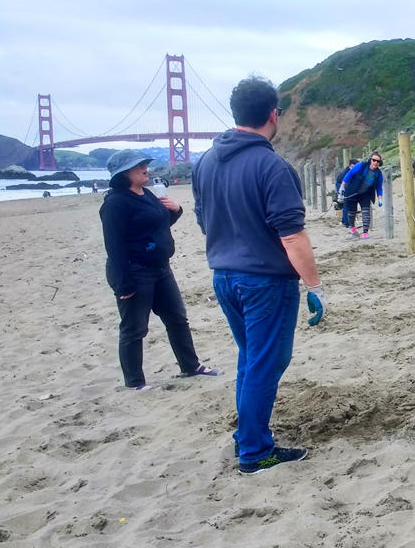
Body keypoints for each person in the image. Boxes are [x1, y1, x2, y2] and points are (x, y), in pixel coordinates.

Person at [192, 76, 325, 475]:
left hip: (224, 276)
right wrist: (315, 286)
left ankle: (246, 438)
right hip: (265, 281)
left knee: (252, 359)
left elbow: (204, 221)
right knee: (267, 362)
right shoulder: (272, 166)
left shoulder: (205, 162)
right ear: (273, 115)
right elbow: (293, 236)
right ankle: (254, 450)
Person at [99, 150, 220, 391]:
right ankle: (135, 383)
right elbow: (114, 246)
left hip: (160, 269)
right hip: (134, 272)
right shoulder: (115, 203)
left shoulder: (147, 195)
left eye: (144, 163)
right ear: (123, 174)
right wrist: (124, 284)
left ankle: (191, 366)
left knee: (177, 318)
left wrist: (175, 211)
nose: (145, 167)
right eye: (138, 165)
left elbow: (157, 225)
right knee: (135, 328)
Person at [338, 152, 384, 240]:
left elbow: (379, 187)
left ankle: (365, 232)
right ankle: (352, 228)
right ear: (370, 160)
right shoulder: (361, 165)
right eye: (374, 160)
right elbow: (350, 174)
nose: (375, 162)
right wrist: (342, 186)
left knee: (366, 212)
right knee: (352, 212)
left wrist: (380, 198)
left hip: (366, 193)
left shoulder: (378, 174)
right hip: (352, 191)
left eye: (378, 161)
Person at [334, 159, 360, 224]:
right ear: (350, 166)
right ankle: (347, 222)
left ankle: (344, 220)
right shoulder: (347, 172)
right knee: (346, 202)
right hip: (340, 184)